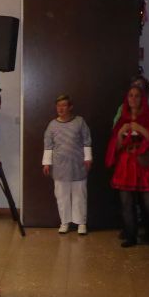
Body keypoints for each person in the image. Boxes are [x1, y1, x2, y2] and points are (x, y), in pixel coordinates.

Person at [107, 85, 149, 252]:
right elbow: (116, 146)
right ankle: (131, 236)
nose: (133, 99)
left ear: (142, 99)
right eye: (131, 96)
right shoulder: (122, 119)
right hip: (126, 164)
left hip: (143, 165)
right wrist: (121, 133)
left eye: (137, 96)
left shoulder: (148, 117)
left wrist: (141, 130)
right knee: (126, 203)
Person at [42, 94, 92, 235]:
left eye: (64, 105)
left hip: (78, 165)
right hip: (60, 167)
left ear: (70, 107)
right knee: (61, 196)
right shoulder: (52, 125)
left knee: (79, 195)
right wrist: (47, 163)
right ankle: (64, 222)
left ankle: (81, 223)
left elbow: (87, 140)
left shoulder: (79, 122)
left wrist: (88, 158)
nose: (61, 108)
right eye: (58, 106)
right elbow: (48, 145)